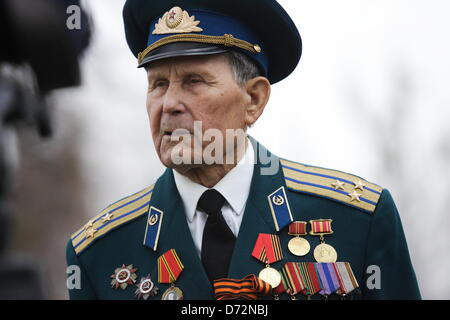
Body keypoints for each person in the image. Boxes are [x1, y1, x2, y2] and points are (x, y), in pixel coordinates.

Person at [66, 0, 420, 300]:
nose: (169, 103)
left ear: (254, 99)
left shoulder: (358, 221)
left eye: (193, 81)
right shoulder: (99, 252)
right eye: (157, 84)